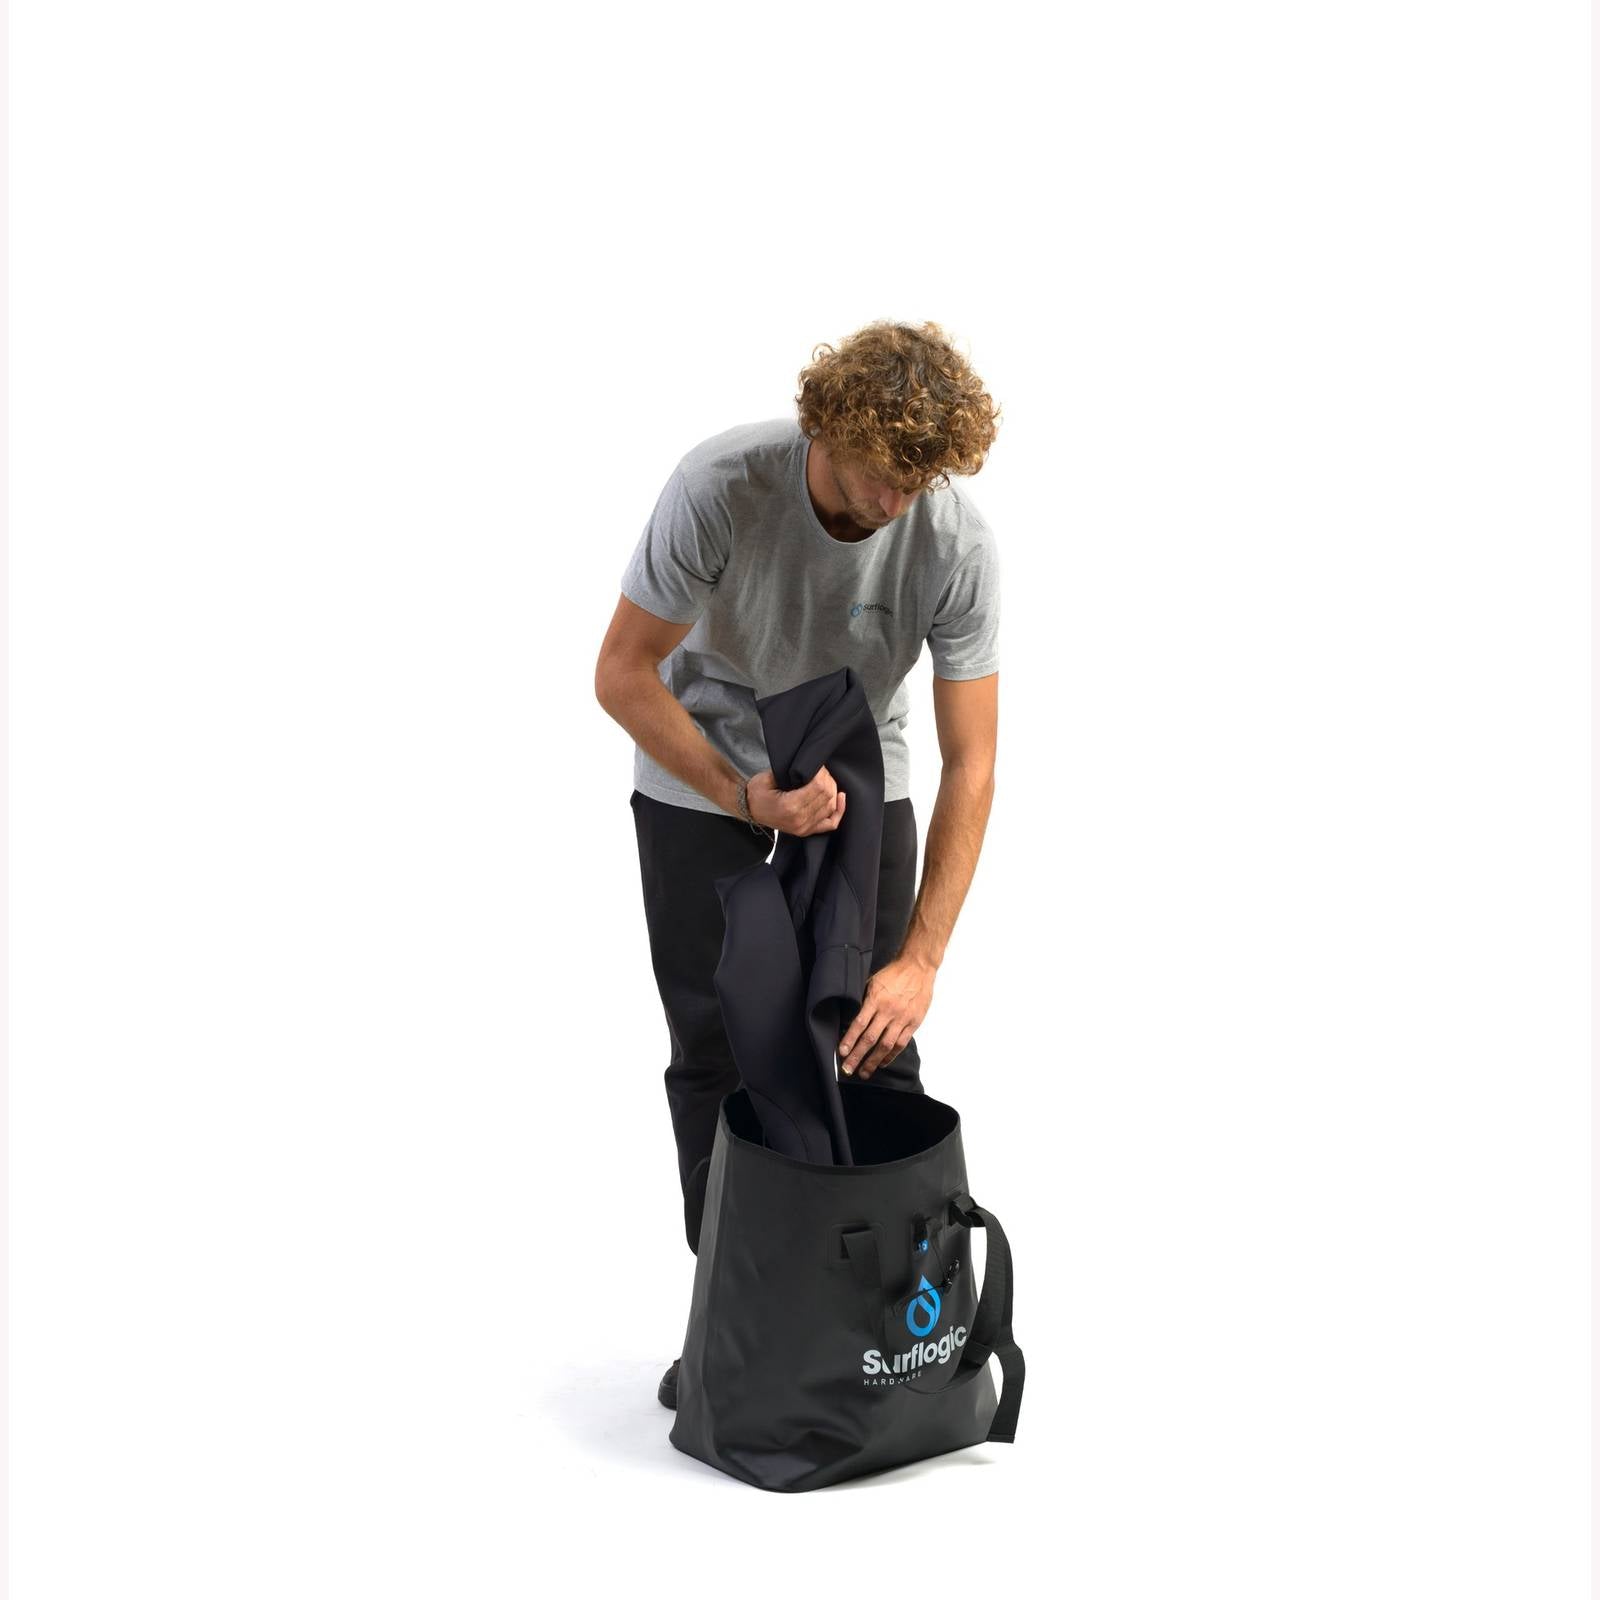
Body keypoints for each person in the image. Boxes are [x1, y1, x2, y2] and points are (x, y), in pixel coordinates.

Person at [592, 319, 1002, 1410]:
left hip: (859, 764)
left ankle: (892, 1346)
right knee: (720, 1053)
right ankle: (744, 1334)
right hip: (702, 765)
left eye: (920, 480)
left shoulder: (951, 539)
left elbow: (972, 761)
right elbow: (623, 673)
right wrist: (743, 794)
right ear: (827, 428)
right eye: (881, 474)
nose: (896, 502)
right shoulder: (720, 488)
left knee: (870, 1039)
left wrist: (920, 961)